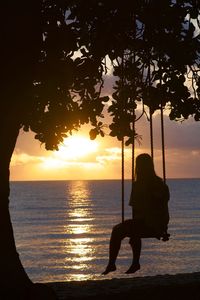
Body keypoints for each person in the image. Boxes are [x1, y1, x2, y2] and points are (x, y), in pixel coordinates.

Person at [102, 153, 170, 275]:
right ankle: (133, 263)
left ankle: (114, 264)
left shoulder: (150, 185)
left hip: (153, 224)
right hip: (152, 223)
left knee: (118, 230)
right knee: (132, 231)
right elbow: (138, 211)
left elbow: (157, 203)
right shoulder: (157, 184)